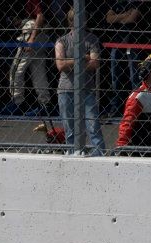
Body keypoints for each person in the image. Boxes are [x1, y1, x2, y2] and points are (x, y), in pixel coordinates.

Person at [54, 9, 105, 155]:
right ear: (71, 22)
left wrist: (71, 62)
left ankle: (99, 155)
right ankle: (72, 153)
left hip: (86, 89)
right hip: (66, 89)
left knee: (93, 126)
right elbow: (60, 65)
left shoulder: (92, 39)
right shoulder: (62, 41)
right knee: (70, 129)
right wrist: (82, 58)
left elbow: (94, 63)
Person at [2, 0, 51, 116]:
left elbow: (40, 15)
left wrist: (31, 38)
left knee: (16, 69)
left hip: (33, 30)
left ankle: (18, 102)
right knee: (38, 70)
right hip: (43, 31)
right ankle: (45, 104)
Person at [104, 0, 142, 118]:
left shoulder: (137, 2)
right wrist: (125, 15)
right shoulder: (118, 3)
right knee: (115, 77)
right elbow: (108, 19)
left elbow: (131, 19)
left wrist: (118, 18)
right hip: (117, 42)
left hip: (132, 43)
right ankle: (115, 107)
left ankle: (136, 107)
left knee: (134, 77)